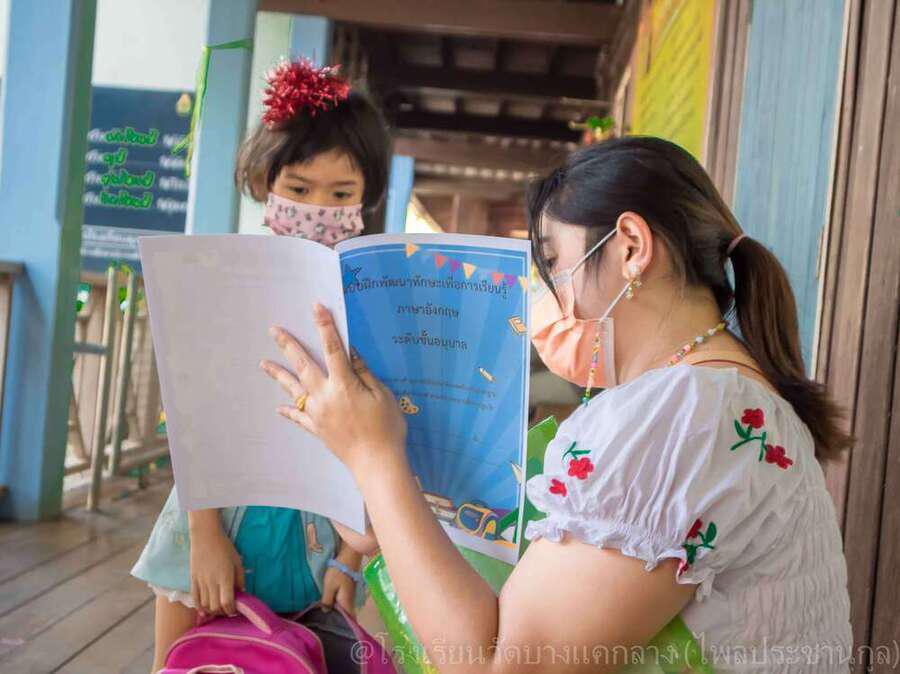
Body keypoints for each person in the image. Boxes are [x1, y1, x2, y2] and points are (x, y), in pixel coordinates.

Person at [260, 136, 854, 673]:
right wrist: (394, 515)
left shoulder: (685, 413)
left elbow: (498, 666)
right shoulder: (717, 396)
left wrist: (374, 456)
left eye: (553, 262)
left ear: (631, 247)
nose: (547, 295)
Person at [133, 58, 390, 673]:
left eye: (340, 194)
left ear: (366, 197)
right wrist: (203, 534)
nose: (317, 207)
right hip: (217, 511)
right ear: (264, 183)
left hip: (322, 533)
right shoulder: (222, 282)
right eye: (299, 190)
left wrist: (349, 560)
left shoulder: (371, 296)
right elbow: (193, 412)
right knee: (180, 661)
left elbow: (373, 436)